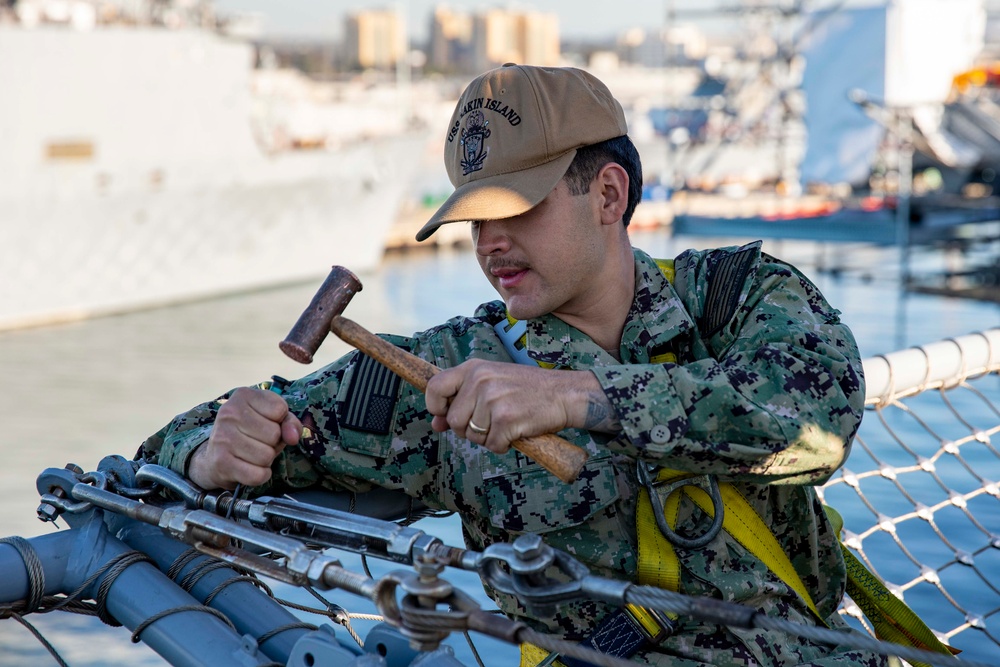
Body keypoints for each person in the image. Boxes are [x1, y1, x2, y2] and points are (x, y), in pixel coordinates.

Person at [138, 64, 885, 666]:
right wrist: (210, 450)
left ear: (608, 194)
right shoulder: (446, 374)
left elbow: (815, 422)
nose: (490, 241)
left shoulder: (737, 297)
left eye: (517, 209)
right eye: (475, 218)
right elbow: (207, 440)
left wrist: (575, 397)